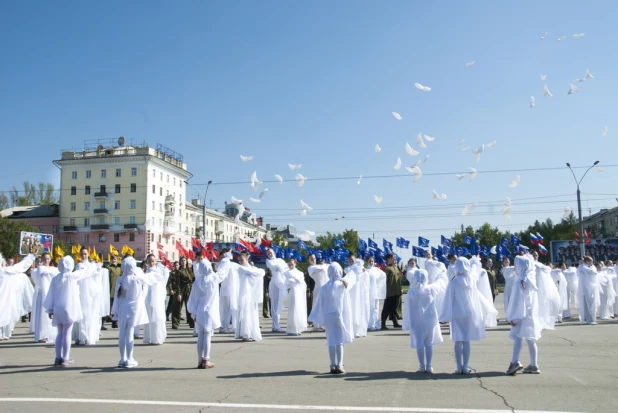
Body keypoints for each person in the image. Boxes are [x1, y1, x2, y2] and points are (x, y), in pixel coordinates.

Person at [440, 257, 496, 375]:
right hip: (470, 313)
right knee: (466, 341)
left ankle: (458, 367)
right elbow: (475, 274)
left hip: (457, 313)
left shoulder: (453, 282)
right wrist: (475, 262)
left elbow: (448, 300)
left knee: (457, 340)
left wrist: (445, 315)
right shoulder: (471, 280)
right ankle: (465, 367)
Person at [111, 256, 168, 368]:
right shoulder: (136, 278)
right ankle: (130, 358)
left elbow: (117, 297)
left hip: (122, 306)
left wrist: (115, 311)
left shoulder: (121, 279)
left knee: (122, 332)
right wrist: (162, 269)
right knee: (130, 333)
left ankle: (122, 358)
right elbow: (152, 278)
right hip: (132, 308)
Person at [44, 255, 98, 366]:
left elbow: (51, 295)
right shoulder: (72, 276)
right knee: (67, 333)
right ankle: (66, 358)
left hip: (57, 308)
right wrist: (92, 264)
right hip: (68, 307)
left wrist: (50, 309)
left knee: (59, 333)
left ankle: (58, 357)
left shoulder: (56, 278)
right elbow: (85, 272)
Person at [308, 262, 353, 374]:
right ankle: (340, 364)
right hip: (339, 315)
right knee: (339, 341)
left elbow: (319, 303)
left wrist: (313, 317)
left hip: (328, 316)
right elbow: (346, 302)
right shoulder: (342, 285)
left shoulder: (324, 288)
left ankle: (332, 365)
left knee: (331, 340)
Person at [187, 255, 228, 369]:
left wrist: (192, 312)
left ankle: (200, 360)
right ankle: (206, 359)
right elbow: (223, 272)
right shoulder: (214, 278)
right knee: (207, 336)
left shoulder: (197, 282)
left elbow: (192, 299)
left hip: (199, 311)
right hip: (209, 311)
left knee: (200, 336)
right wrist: (225, 260)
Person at [505, 254, 542, 375]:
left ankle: (515, 361)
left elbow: (517, 301)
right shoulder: (531, 279)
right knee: (531, 339)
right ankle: (534, 364)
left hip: (521, 314)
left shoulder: (519, 280)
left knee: (518, 338)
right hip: (530, 314)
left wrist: (514, 317)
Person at [404, 267, 445, 373]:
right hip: (429, 320)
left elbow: (407, 308)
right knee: (429, 342)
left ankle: (422, 366)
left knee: (419, 342)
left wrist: (408, 322)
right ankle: (429, 365)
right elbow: (440, 284)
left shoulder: (411, 292)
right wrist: (441, 274)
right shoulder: (430, 289)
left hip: (416, 321)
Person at [72, 247, 106, 346]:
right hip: (82, 293)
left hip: (91, 293)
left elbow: (98, 277)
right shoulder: (79, 265)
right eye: (82, 254)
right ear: (79, 255)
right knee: (82, 315)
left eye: (85, 254)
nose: (84, 256)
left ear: (88, 254)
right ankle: (81, 336)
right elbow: (79, 276)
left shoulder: (92, 266)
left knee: (90, 315)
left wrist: (99, 269)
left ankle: (89, 336)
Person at [0, 253, 36, 340]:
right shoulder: (6, 272)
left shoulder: (6, 272)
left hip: (6, 299)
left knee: (7, 315)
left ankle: (4, 333)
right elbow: (21, 266)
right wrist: (31, 256)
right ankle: (4, 333)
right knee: (5, 315)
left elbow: (20, 267)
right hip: (5, 299)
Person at [235, 251, 266, 342]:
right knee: (245, 312)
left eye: (242, 259)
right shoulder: (241, 269)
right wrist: (255, 271)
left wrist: (255, 271)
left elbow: (262, 272)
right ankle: (245, 333)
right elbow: (253, 272)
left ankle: (251, 332)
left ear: (247, 258)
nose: (240, 261)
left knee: (251, 313)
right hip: (244, 294)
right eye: (239, 260)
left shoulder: (252, 268)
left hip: (251, 294)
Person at [30, 252, 59, 343]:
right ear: (41, 260)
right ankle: (42, 335)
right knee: (43, 315)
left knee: (51, 316)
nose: (46, 261)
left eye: (48, 259)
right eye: (44, 259)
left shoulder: (53, 269)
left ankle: (50, 334)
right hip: (43, 294)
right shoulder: (40, 268)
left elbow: (57, 275)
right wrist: (51, 272)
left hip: (52, 294)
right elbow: (43, 276)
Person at [142, 254, 170, 344]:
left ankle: (157, 338)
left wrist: (163, 268)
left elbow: (165, 278)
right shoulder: (146, 272)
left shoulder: (158, 271)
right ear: (147, 262)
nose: (151, 263)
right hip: (148, 296)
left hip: (156, 296)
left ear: (156, 261)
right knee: (149, 316)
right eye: (149, 261)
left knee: (156, 316)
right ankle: (149, 337)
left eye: (153, 261)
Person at [344, 254, 370, 338]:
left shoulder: (360, 269)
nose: (351, 262)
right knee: (352, 310)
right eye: (350, 260)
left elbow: (366, 278)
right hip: (352, 292)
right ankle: (352, 329)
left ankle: (359, 329)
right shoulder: (348, 269)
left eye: (352, 260)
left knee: (360, 310)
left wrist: (364, 272)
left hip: (360, 292)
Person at [168, 256, 194, 330]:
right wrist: (179, 293)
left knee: (190, 306)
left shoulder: (189, 270)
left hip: (189, 289)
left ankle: (191, 322)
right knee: (177, 307)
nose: (183, 262)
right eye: (182, 260)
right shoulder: (178, 271)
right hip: (181, 289)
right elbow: (177, 283)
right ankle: (175, 323)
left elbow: (192, 279)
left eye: (184, 260)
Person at [284, 259, 308, 336]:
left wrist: (296, 280)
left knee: (298, 309)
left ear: (295, 264)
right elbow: (285, 283)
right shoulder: (286, 273)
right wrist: (290, 282)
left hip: (298, 292)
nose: (291, 266)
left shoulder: (299, 273)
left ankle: (298, 328)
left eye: (292, 264)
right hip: (292, 292)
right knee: (293, 309)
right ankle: (291, 328)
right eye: (289, 264)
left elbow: (302, 282)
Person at [266, 249, 288, 333]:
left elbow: (285, 268)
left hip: (281, 283)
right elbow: (278, 267)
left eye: (270, 252)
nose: (269, 254)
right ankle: (275, 325)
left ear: (274, 252)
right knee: (274, 305)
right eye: (268, 253)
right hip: (275, 284)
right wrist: (282, 267)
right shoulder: (268, 261)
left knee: (279, 304)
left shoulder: (280, 260)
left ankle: (276, 325)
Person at [218, 248, 239, 333]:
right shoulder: (225, 262)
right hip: (227, 290)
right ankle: (224, 327)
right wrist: (227, 255)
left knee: (230, 309)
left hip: (230, 290)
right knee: (226, 309)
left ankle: (229, 327)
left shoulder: (232, 264)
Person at [307, 255, 329, 332]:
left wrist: (324, 265)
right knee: (316, 306)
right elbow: (323, 268)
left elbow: (326, 267)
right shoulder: (310, 268)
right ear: (309, 260)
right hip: (318, 288)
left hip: (324, 288)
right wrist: (324, 265)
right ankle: (316, 325)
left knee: (323, 306)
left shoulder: (319, 266)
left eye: (314, 258)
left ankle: (321, 325)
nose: (313, 260)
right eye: (311, 259)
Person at [381, 254, 402, 330]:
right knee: (386, 308)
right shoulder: (387, 269)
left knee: (394, 308)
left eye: (394, 258)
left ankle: (395, 322)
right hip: (389, 292)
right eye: (392, 258)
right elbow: (383, 281)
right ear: (388, 260)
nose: (394, 259)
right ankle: (383, 323)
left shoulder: (396, 268)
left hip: (396, 292)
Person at [365, 256, 386, 331]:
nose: (371, 263)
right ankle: (370, 324)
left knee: (376, 308)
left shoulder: (376, 270)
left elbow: (383, 275)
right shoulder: (366, 270)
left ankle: (376, 323)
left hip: (376, 291)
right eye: (369, 261)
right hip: (370, 291)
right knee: (371, 308)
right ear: (367, 262)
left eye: (372, 261)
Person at [577, 256, 599, 325]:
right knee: (588, 304)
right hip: (586, 288)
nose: (592, 263)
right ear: (587, 261)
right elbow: (594, 273)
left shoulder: (588, 267)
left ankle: (590, 319)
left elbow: (594, 272)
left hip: (589, 288)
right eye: (591, 261)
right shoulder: (583, 267)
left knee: (589, 303)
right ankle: (590, 319)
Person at [107, 255, 122, 328]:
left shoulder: (119, 269)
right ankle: (103, 322)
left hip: (117, 291)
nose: (114, 260)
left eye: (115, 259)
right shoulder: (109, 268)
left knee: (116, 307)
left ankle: (114, 322)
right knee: (109, 307)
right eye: (112, 259)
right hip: (110, 291)